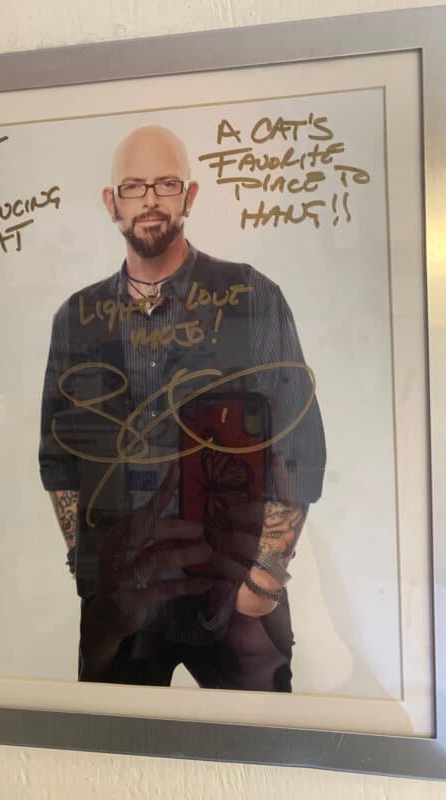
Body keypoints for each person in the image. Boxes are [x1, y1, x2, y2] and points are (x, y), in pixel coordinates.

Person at [39, 125, 326, 691]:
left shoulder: (252, 298)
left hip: (233, 598)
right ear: (111, 202)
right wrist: (92, 571)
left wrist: (262, 583)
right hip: (123, 607)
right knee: (114, 765)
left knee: (257, 765)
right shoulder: (76, 317)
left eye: (166, 183)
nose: (149, 199)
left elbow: (299, 446)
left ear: (189, 195)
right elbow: (60, 458)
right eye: (133, 186)